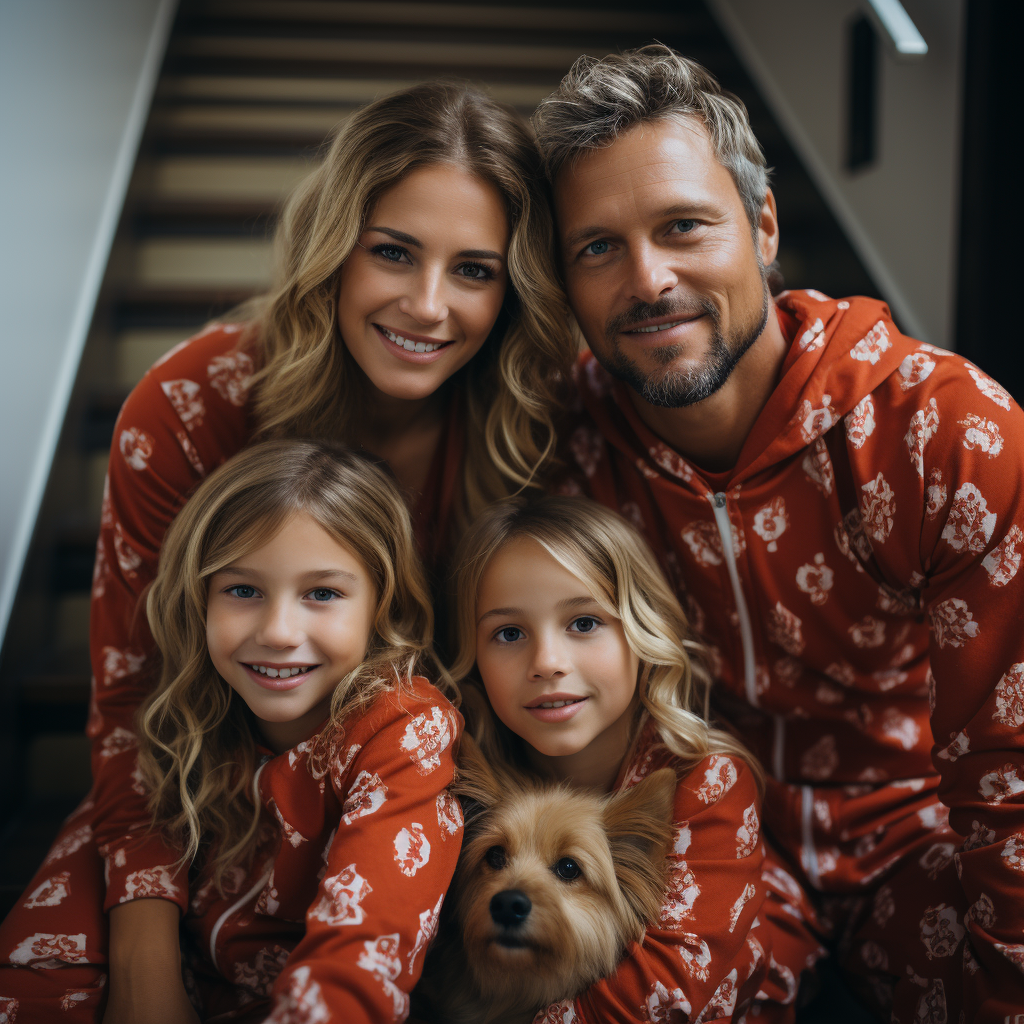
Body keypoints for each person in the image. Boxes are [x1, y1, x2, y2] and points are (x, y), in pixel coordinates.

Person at [0, 82, 576, 1023]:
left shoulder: (537, 423)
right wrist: (146, 961)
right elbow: (127, 703)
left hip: (417, 788)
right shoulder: (188, 407)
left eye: (475, 270)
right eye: (392, 251)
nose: (429, 307)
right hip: (192, 794)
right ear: (331, 247)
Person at [532, 43, 1024, 1022]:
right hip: (692, 817)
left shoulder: (945, 429)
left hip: (914, 821)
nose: (647, 278)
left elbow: (1011, 764)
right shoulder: (558, 448)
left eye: (683, 227)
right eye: (597, 247)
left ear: (760, 226)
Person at [0, 440, 464, 1021]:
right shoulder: (186, 714)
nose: (277, 631)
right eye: (242, 590)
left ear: (382, 605)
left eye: (322, 593)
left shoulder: (404, 732)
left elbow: (363, 951)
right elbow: (49, 949)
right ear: (199, 601)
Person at [450, 495, 803, 1022]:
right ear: (473, 657)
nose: (547, 662)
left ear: (642, 632)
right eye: (509, 632)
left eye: (584, 623)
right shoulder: (463, 771)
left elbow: (678, 983)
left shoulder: (705, 782)